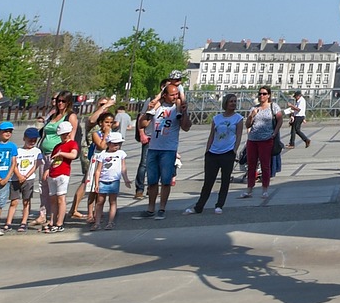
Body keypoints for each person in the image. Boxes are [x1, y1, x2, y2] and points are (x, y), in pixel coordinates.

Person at [136, 75, 190, 220]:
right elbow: (143, 124)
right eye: (172, 95)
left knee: (166, 181)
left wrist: (184, 112)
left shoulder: (177, 108)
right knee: (152, 180)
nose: (175, 97)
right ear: (164, 95)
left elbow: (186, 127)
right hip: (154, 147)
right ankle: (150, 208)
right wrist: (149, 110)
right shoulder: (157, 107)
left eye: (176, 94)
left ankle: (162, 208)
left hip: (169, 149)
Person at [190, 93, 244, 214]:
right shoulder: (217, 118)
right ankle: (199, 206)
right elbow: (212, 135)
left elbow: (239, 135)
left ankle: (219, 204)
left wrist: (234, 150)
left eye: (235, 101)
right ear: (226, 103)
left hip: (228, 152)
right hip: (213, 153)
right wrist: (207, 150)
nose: (233, 103)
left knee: (225, 180)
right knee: (208, 181)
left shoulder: (238, 119)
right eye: (231, 101)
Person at [246, 87, 284, 191]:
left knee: (265, 164)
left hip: (266, 139)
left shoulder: (273, 107)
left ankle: (265, 188)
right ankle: (249, 188)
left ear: (269, 95)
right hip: (253, 139)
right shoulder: (254, 108)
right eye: (260, 94)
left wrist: (274, 133)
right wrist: (251, 116)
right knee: (251, 165)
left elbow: (280, 120)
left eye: (264, 93)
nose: (261, 96)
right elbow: (247, 125)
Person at [43, 126, 77, 233]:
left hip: (63, 173)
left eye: (66, 133)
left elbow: (73, 155)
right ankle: (52, 221)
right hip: (53, 173)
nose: (64, 136)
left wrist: (61, 153)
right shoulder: (57, 146)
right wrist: (48, 170)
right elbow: (52, 161)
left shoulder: (72, 144)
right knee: (53, 199)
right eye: (62, 134)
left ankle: (59, 223)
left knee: (61, 199)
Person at [90, 131, 127, 230]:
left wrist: (126, 179)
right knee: (100, 201)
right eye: (115, 144)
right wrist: (96, 183)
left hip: (114, 180)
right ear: (109, 143)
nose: (117, 146)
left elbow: (123, 167)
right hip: (103, 180)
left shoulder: (121, 154)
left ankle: (110, 222)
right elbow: (98, 170)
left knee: (113, 201)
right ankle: (97, 222)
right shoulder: (102, 154)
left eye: (119, 144)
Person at [9, 128, 43, 231]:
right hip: (16, 178)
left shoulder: (37, 151)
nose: (32, 142)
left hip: (29, 179)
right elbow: (14, 164)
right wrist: (19, 175)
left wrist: (26, 176)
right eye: (30, 140)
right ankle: (8, 222)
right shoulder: (18, 151)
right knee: (14, 201)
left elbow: (36, 165)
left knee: (26, 201)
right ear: (24, 138)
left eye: (34, 140)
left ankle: (24, 222)